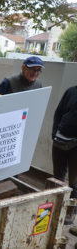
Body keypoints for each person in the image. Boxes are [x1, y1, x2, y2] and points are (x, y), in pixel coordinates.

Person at [51, 86, 77, 228]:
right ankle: (56, 208)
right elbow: (59, 112)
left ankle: (70, 211)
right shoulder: (71, 91)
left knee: (74, 182)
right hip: (60, 140)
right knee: (57, 179)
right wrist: (54, 133)